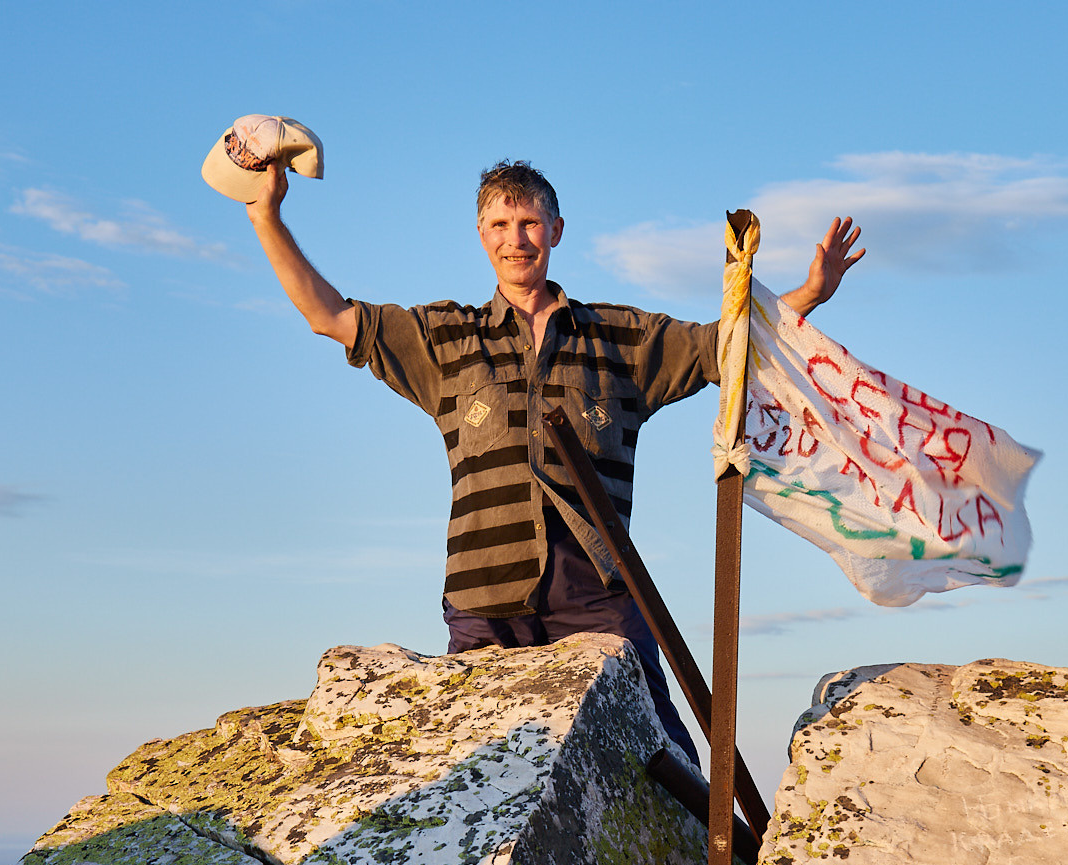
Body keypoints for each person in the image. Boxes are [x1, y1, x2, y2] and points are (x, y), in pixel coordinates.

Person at [243, 157, 864, 763]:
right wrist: (265, 216)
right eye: (500, 225)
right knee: (480, 770)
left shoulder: (621, 338)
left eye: (530, 224)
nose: (516, 240)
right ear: (481, 235)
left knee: (661, 757)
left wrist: (809, 294)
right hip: (485, 593)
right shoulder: (446, 339)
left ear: (556, 231)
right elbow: (329, 316)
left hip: (598, 590)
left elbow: (722, 346)